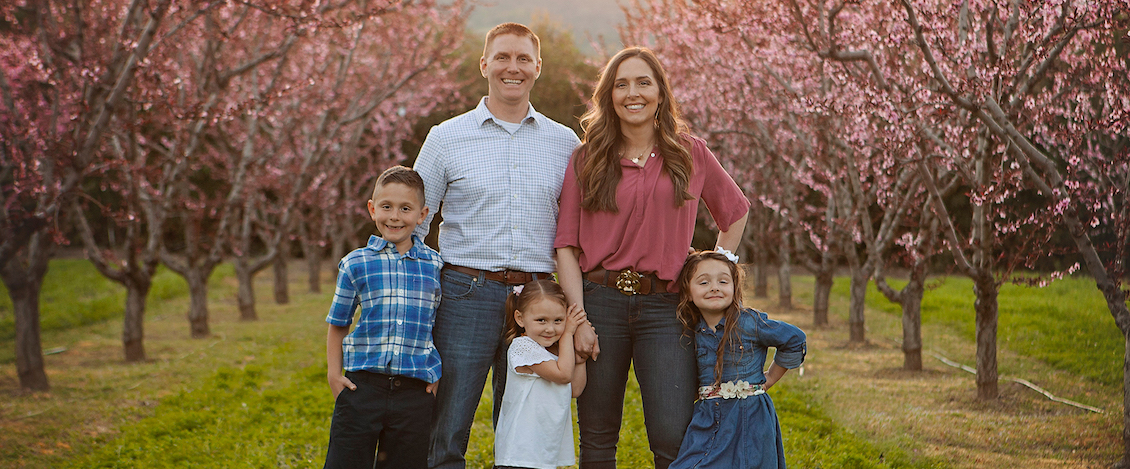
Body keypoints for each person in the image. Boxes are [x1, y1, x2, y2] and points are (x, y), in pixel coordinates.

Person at [554, 46, 752, 468]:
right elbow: (566, 246)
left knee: (671, 434)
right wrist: (579, 321)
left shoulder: (690, 153)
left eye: (644, 82)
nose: (633, 93)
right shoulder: (586, 159)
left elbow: (735, 212)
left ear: (660, 93)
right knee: (597, 435)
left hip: (666, 308)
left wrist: (714, 274)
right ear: (609, 96)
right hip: (599, 304)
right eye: (621, 84)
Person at [412, 22, 583, 469]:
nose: (513, 67)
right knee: (448, 423)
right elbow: (416, 221)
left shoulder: (565, 142)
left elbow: (577, 233)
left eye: (523, 58)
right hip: (464, 295)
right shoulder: (445, 136)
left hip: (538, 301)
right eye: (503, 57)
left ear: (538, 67)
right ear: (485, 64)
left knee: (531, 427)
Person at [323, 165, 443, 469]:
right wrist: (334, 374)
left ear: (422, 214)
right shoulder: (356, 264)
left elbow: (438, 324)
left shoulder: (435, 266)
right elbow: (338, 323)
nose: (395, 216)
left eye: (406, 208)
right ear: (372, 209)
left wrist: (435, 373)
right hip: (362, 387)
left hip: (414, 393)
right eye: (387, 207)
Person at [670, 251, 806, 469]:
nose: (714, 287)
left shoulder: (750, 322)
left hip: (748, 417)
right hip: (707, 418)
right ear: (687, 291)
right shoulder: (691, 330)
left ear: (734, 288)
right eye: (704, 282)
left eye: (723, 281)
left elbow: (794, 339)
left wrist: (770, 378)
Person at [494, 279, 588, 469]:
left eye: (558, 321)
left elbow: (575, 389)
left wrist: (581, 354)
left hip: (544, 447)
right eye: (541, 320)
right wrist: (568, 334)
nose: (550, 329)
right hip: (520, 451)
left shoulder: (555, 352)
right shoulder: (522, 347)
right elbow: (563, 375)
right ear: (520, 318)